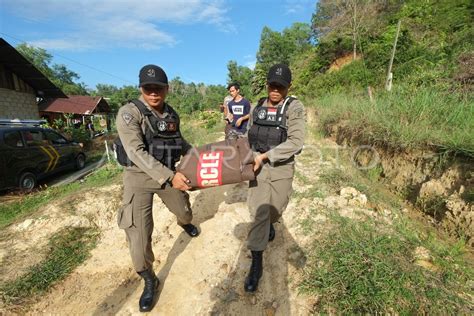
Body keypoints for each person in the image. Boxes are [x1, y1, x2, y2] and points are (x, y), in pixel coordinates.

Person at [116, 64, 200, 312]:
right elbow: (136, 151)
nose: (153, 93)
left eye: (158, 88)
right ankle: (149, 278)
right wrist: (169, 177)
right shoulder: (129, 113)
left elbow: (179, 141)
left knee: (185, 212)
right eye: (148, 88)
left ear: (167, 89)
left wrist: (197, 155)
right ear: (141, 88)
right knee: (139, 237)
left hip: (168, 172)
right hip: (138, 177)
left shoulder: (171, 114)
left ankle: (183, 223)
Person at [244, 64, 305, 292]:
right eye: (272, 84)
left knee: (276, 208)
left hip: (281, 166)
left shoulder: (294, 107)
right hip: (258, 166)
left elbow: (296, 141)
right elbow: (248, 136)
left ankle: (271, 221)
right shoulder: (257, 106)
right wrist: (251, 156)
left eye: (281, 86)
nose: (276, 89)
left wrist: (267, 156)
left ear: (289, 87)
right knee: (259, 211)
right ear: (267, 84)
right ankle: (257, 263)